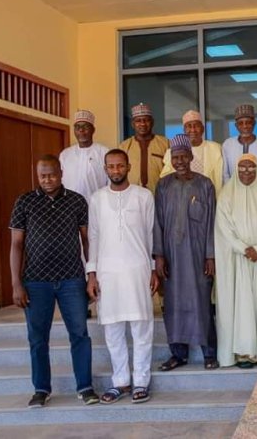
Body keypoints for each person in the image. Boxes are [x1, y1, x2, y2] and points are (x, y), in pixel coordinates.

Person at [9, 155, 98, 408]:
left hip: (72, 279)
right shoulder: (24, 202)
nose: (47, 179)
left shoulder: (77, 201)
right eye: (42, 175)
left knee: (80, 334)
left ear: (61, 172)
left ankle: (85, 386)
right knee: (37, 337)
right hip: (36, 282)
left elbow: (86, 240)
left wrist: (91, 274)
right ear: (37, 175)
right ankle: (41, 389)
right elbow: (16, 244)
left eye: (51, 174)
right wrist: (16, 283)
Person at [86, 149, 158, 404]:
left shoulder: (143, 196)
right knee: (113, 331)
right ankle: (120, 382)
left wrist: (152, 269)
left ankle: (141, 382)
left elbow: (151, 235)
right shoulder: (96, 199)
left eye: (120, 166)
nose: (116, 170)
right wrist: (91, 274)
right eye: (111, 167)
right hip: (108, 273)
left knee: (141, 329)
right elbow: (93, 237)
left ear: (128, 167)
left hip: (138, 270)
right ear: (105, 169)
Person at [154, 135, 218, 372]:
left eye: (183, 156)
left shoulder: (205, 184)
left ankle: (209, 352)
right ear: (171, 159)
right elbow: (157, 222)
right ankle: (177, 354)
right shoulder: (163, 185)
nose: (180, 161)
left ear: (191, 157)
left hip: (198, 256)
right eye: (175, 157)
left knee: (202, 301)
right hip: (171, 256)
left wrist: (210, 255)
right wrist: (159, 255)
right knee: (173, 305)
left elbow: (212, 222)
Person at [215, 154, 257, 368]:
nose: (247, 172)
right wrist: (244, 249)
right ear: (236, 170)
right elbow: (224, 228)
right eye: (242, 168)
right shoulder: (226, 195)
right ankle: (243, 352)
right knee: (241, 303)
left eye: (251, 167)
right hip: (238, 259)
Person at [160, 110, 223, 194]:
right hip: (180, 196)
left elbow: (220, 179)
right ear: (184, 130)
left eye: (196, 126)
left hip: (208, 195)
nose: (193, 130)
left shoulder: (215, 148)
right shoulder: (172, 151)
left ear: (203, 128)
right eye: (189, 126)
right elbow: (165, 179)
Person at [119, 102, 169, 194]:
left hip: (160, 195)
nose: (142, 124)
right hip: (132, 196)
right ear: (133, 124)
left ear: (152, 122)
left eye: (146, 120)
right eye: (138, 121)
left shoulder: (165, 143)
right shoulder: (124, 146)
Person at [59, 110, 109, 201]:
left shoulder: (104, 152)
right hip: (70, 207)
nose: (81, 130)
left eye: (85, 126)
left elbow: (110, 182)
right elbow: (60, 182)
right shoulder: (65, 154)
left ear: (93, 130)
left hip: (96, 205)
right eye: (77, 127)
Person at [222, 104, 257, 185]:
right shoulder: (228, 145)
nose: (245, 126)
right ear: (236, 126)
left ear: (254, 123)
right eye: (240, 123)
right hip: (234, 193)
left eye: (248, 122)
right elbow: (225, 174)